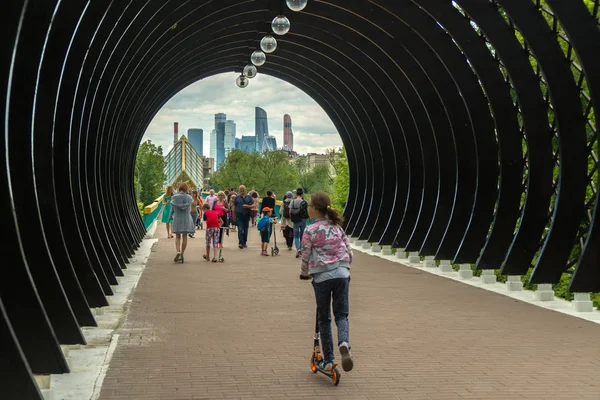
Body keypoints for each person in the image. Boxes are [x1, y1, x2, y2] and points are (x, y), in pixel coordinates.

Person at [299, 192, 353, 373]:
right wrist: (346, 266)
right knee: (342, 315)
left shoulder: (310, 230)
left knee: (324, 318)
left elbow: (305, 254)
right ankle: (344, 342)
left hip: (322, 276)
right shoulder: (337, 226)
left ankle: (329, 360)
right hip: (342, 273)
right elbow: (348, 247)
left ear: (314, 209)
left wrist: (304, 273)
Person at [170, 183, 195, 263]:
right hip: (186, 218)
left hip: (177, 218)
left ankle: (177, 251)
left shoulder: (174, 197)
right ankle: (182, 253)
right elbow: (190, 209)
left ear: (179, 188)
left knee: (177, 236)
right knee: (185, 236)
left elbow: (173, 209)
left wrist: (171, 216)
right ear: (186, 189)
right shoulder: (189, 198)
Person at [290, 187, 309, 258]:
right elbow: (307, 212)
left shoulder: (293, 201)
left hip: (295, 219)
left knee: (296, 235)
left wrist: (292, 218)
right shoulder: (305, 202)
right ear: (302, 194)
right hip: (303, 220)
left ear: (296, 193)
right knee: (302, 235)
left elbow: (290, 211)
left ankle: (298, 249)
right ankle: (301, 249)